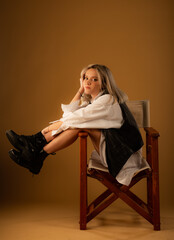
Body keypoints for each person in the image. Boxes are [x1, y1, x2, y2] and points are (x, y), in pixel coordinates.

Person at [6, 64, 150, 186]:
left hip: (125, 156)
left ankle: (35, 145)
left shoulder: (107, 100)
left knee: (80, 124)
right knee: (79, 124)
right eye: (85, 78)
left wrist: (45, 131)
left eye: (94, 80)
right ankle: (37, 154)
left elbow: (75, 118)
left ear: (104, 83)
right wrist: (80, 90)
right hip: (114, 149)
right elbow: (69, 114)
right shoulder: (94, 101)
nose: (88, 82)